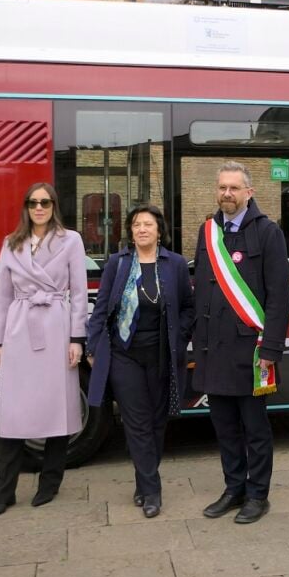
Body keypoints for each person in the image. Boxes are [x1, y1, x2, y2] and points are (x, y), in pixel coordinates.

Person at [192, 162, 289, 524]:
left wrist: (271, 350)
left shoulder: (268, 233)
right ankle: (233, 489)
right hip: (212, 352)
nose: (227, 194)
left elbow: (279, 297)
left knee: (255, 429)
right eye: (222, 188)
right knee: (224, 427)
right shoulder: (207, 233)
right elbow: (201, 289)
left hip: (251, 353)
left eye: (234, 188)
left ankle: (257, 494)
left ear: (249, 192)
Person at [85, 205, 194, 518]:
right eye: (136, 225)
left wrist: (180, 337)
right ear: (131, 232)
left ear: (159, 230)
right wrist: (94, 346)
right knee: (137, 423)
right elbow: (102, 308)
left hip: (162, 356)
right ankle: (152, 490)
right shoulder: (117, 264)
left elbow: (188, 307)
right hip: (124, 355)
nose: (142, 229)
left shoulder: (173, 264)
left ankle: (142, 479)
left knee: (157, 422)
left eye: (148, 224)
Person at [0, 183, 88, 518]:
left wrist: (77, 338)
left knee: (56, 408)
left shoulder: (70, 240)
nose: (39, 208)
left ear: (54, 205)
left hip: (56, 326)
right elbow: (1, 297)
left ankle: (50, 483)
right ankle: (4, 491)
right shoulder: (10, 243)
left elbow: (79, 291)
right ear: (26, 207)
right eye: (33, 202)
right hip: (19, 331)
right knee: (13, 414)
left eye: (45, 202)